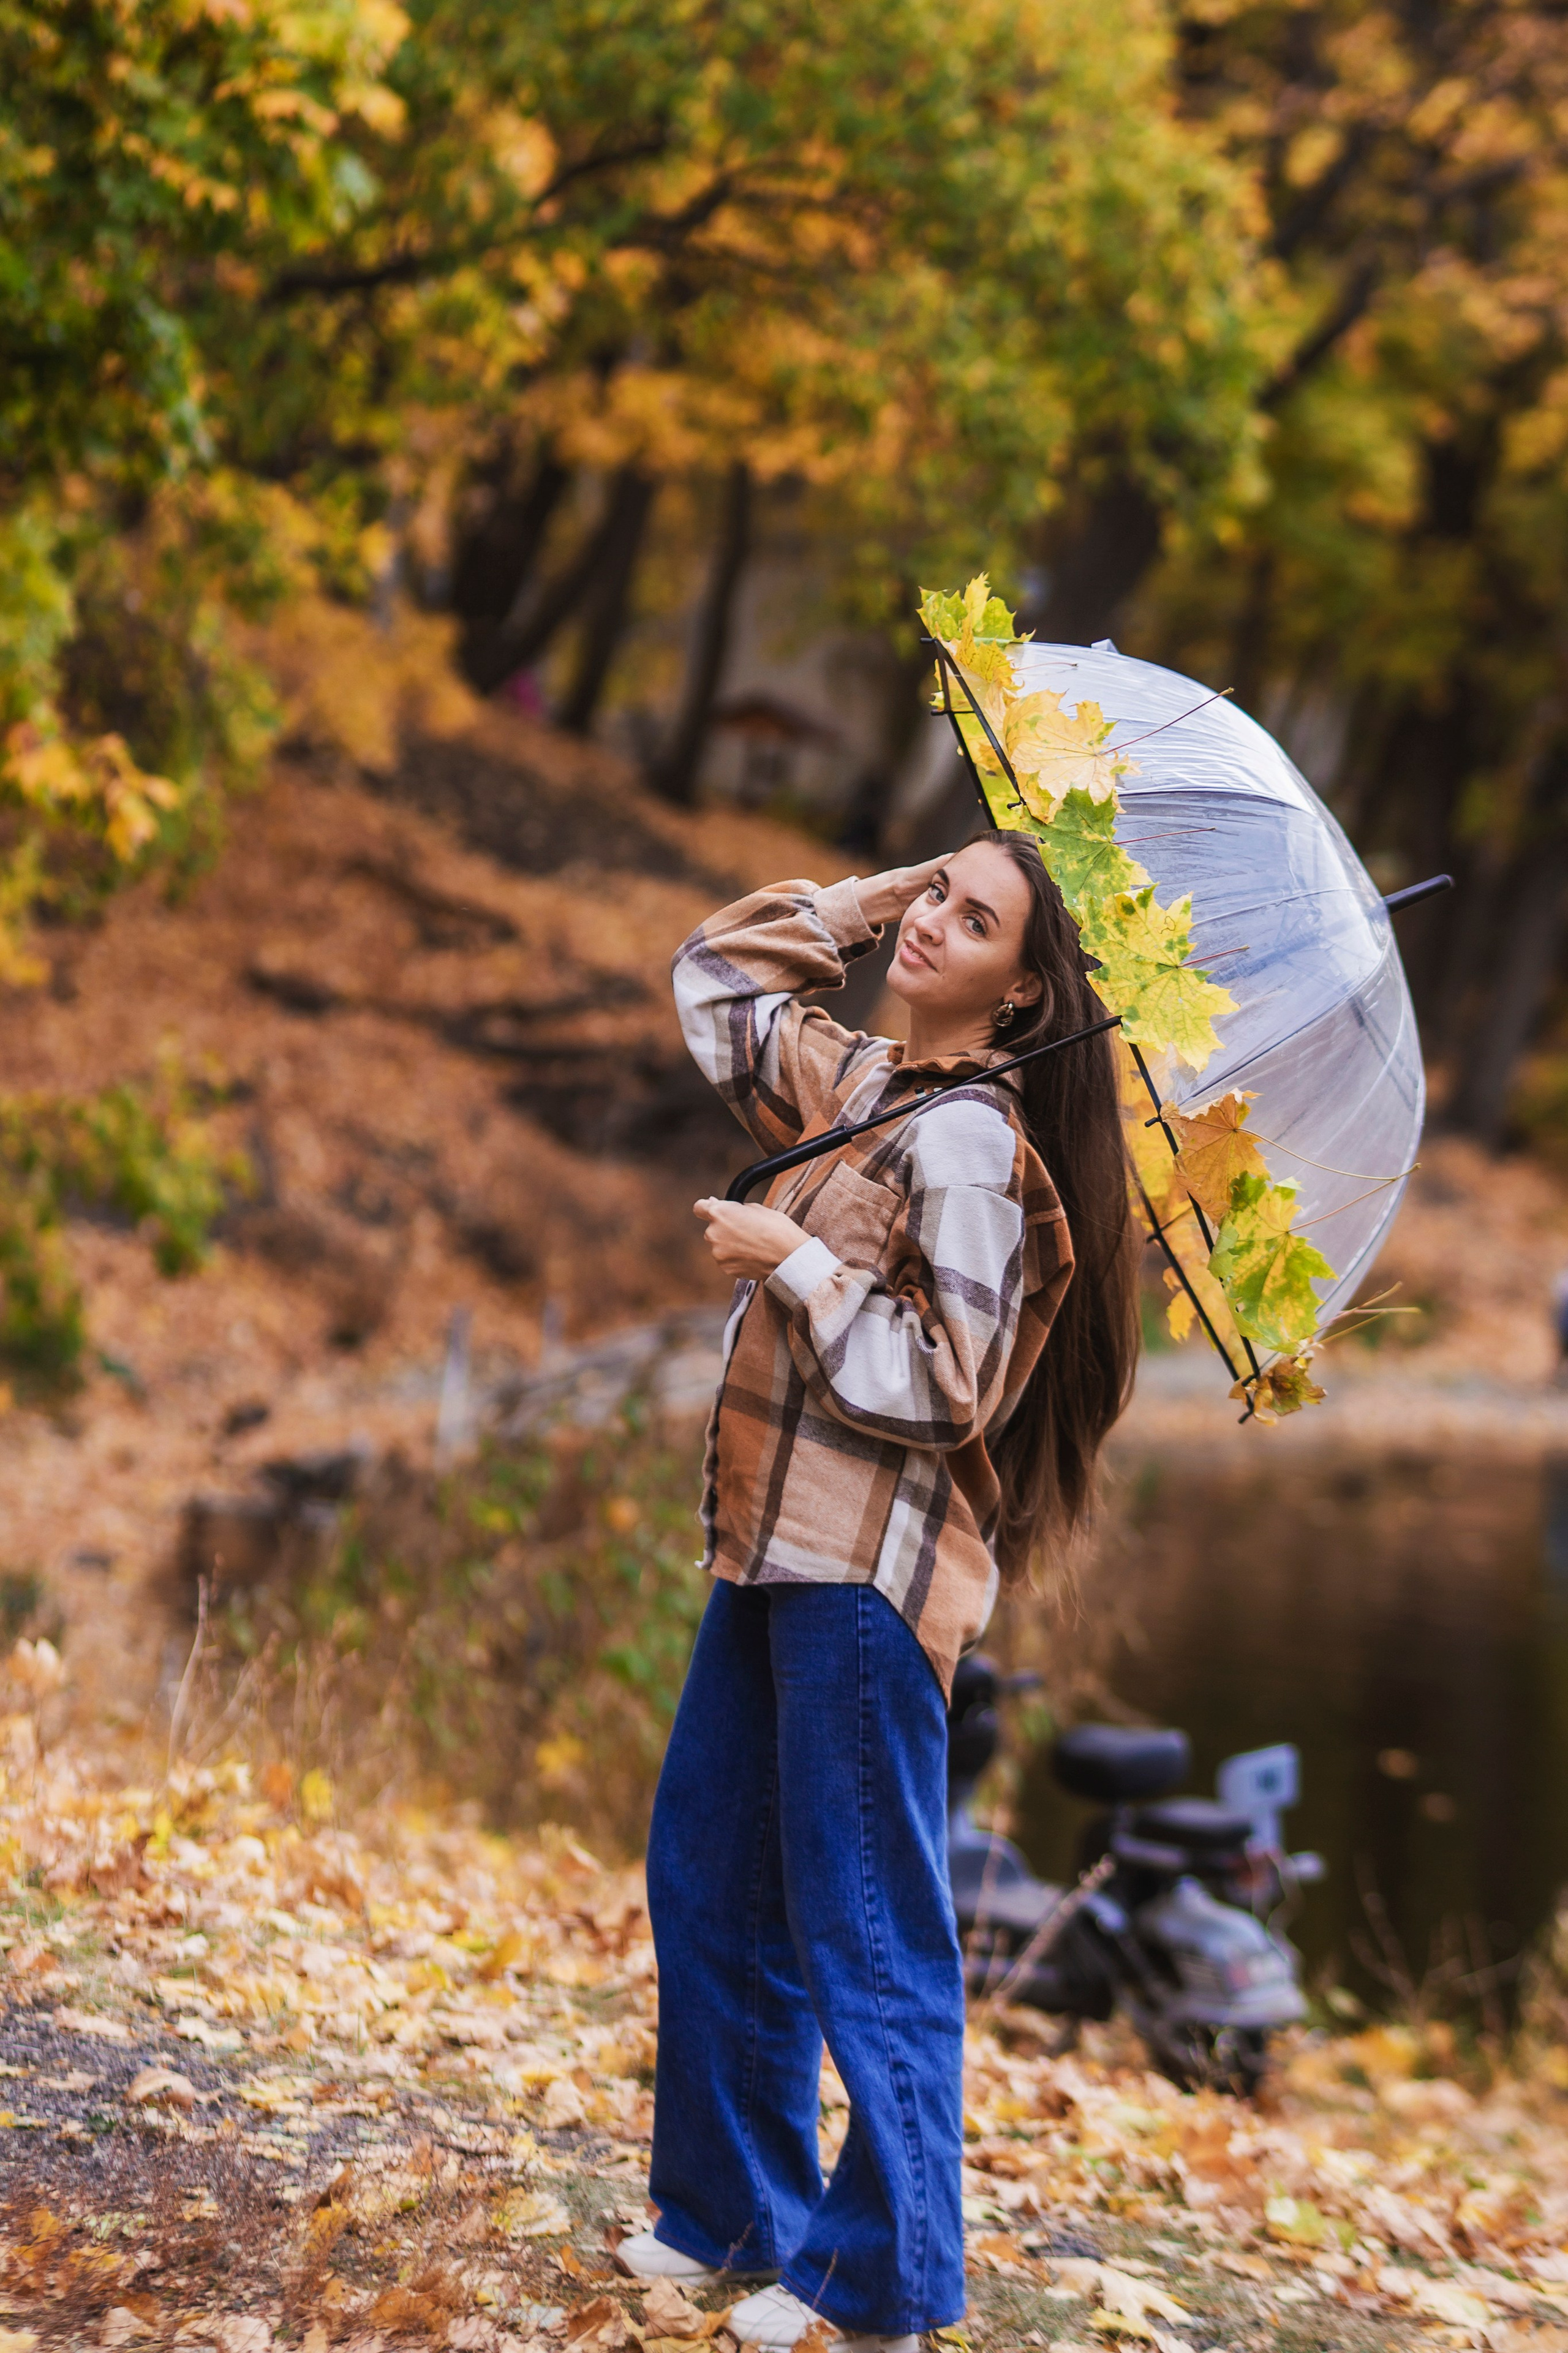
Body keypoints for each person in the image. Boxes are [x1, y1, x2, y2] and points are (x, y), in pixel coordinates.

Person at [616, 837, 1141, 2352]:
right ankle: (727, 2215)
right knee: (712, 1881)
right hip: (770, 1549)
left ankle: (884, 2289)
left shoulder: (972, 1142)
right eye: (932, 891)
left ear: (1023, 986)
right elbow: (710, 984)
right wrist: (859, 900)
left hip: (865, 1575)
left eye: (970, 918)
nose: (927, 922)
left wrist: (797, 1263)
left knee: (863, 1926)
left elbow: (946, 1384)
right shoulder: (860, 1085)